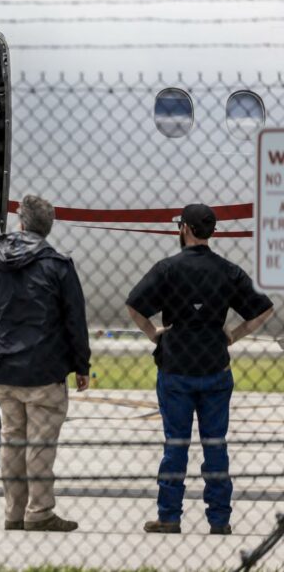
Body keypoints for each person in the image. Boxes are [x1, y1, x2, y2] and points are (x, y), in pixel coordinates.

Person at [127, 203, 273, 536]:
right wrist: (232, 335)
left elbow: (135, 306)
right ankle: (219, 520)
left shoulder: (167, 268)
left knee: (175, 445)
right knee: (215, 445)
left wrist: (155, 334)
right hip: (215, 366)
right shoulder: (228, 270)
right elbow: (262, 311)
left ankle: (169, 516)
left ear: (185, 229)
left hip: (177, 366)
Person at [0, 194, 91, 532]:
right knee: (39, 444)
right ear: (47, 228)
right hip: (44, 369)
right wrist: (81, 365)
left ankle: (13, 512)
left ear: (21, 224)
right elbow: (75, 320)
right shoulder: (58, 265)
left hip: (4, 368)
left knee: (12, 440)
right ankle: (39, 513)